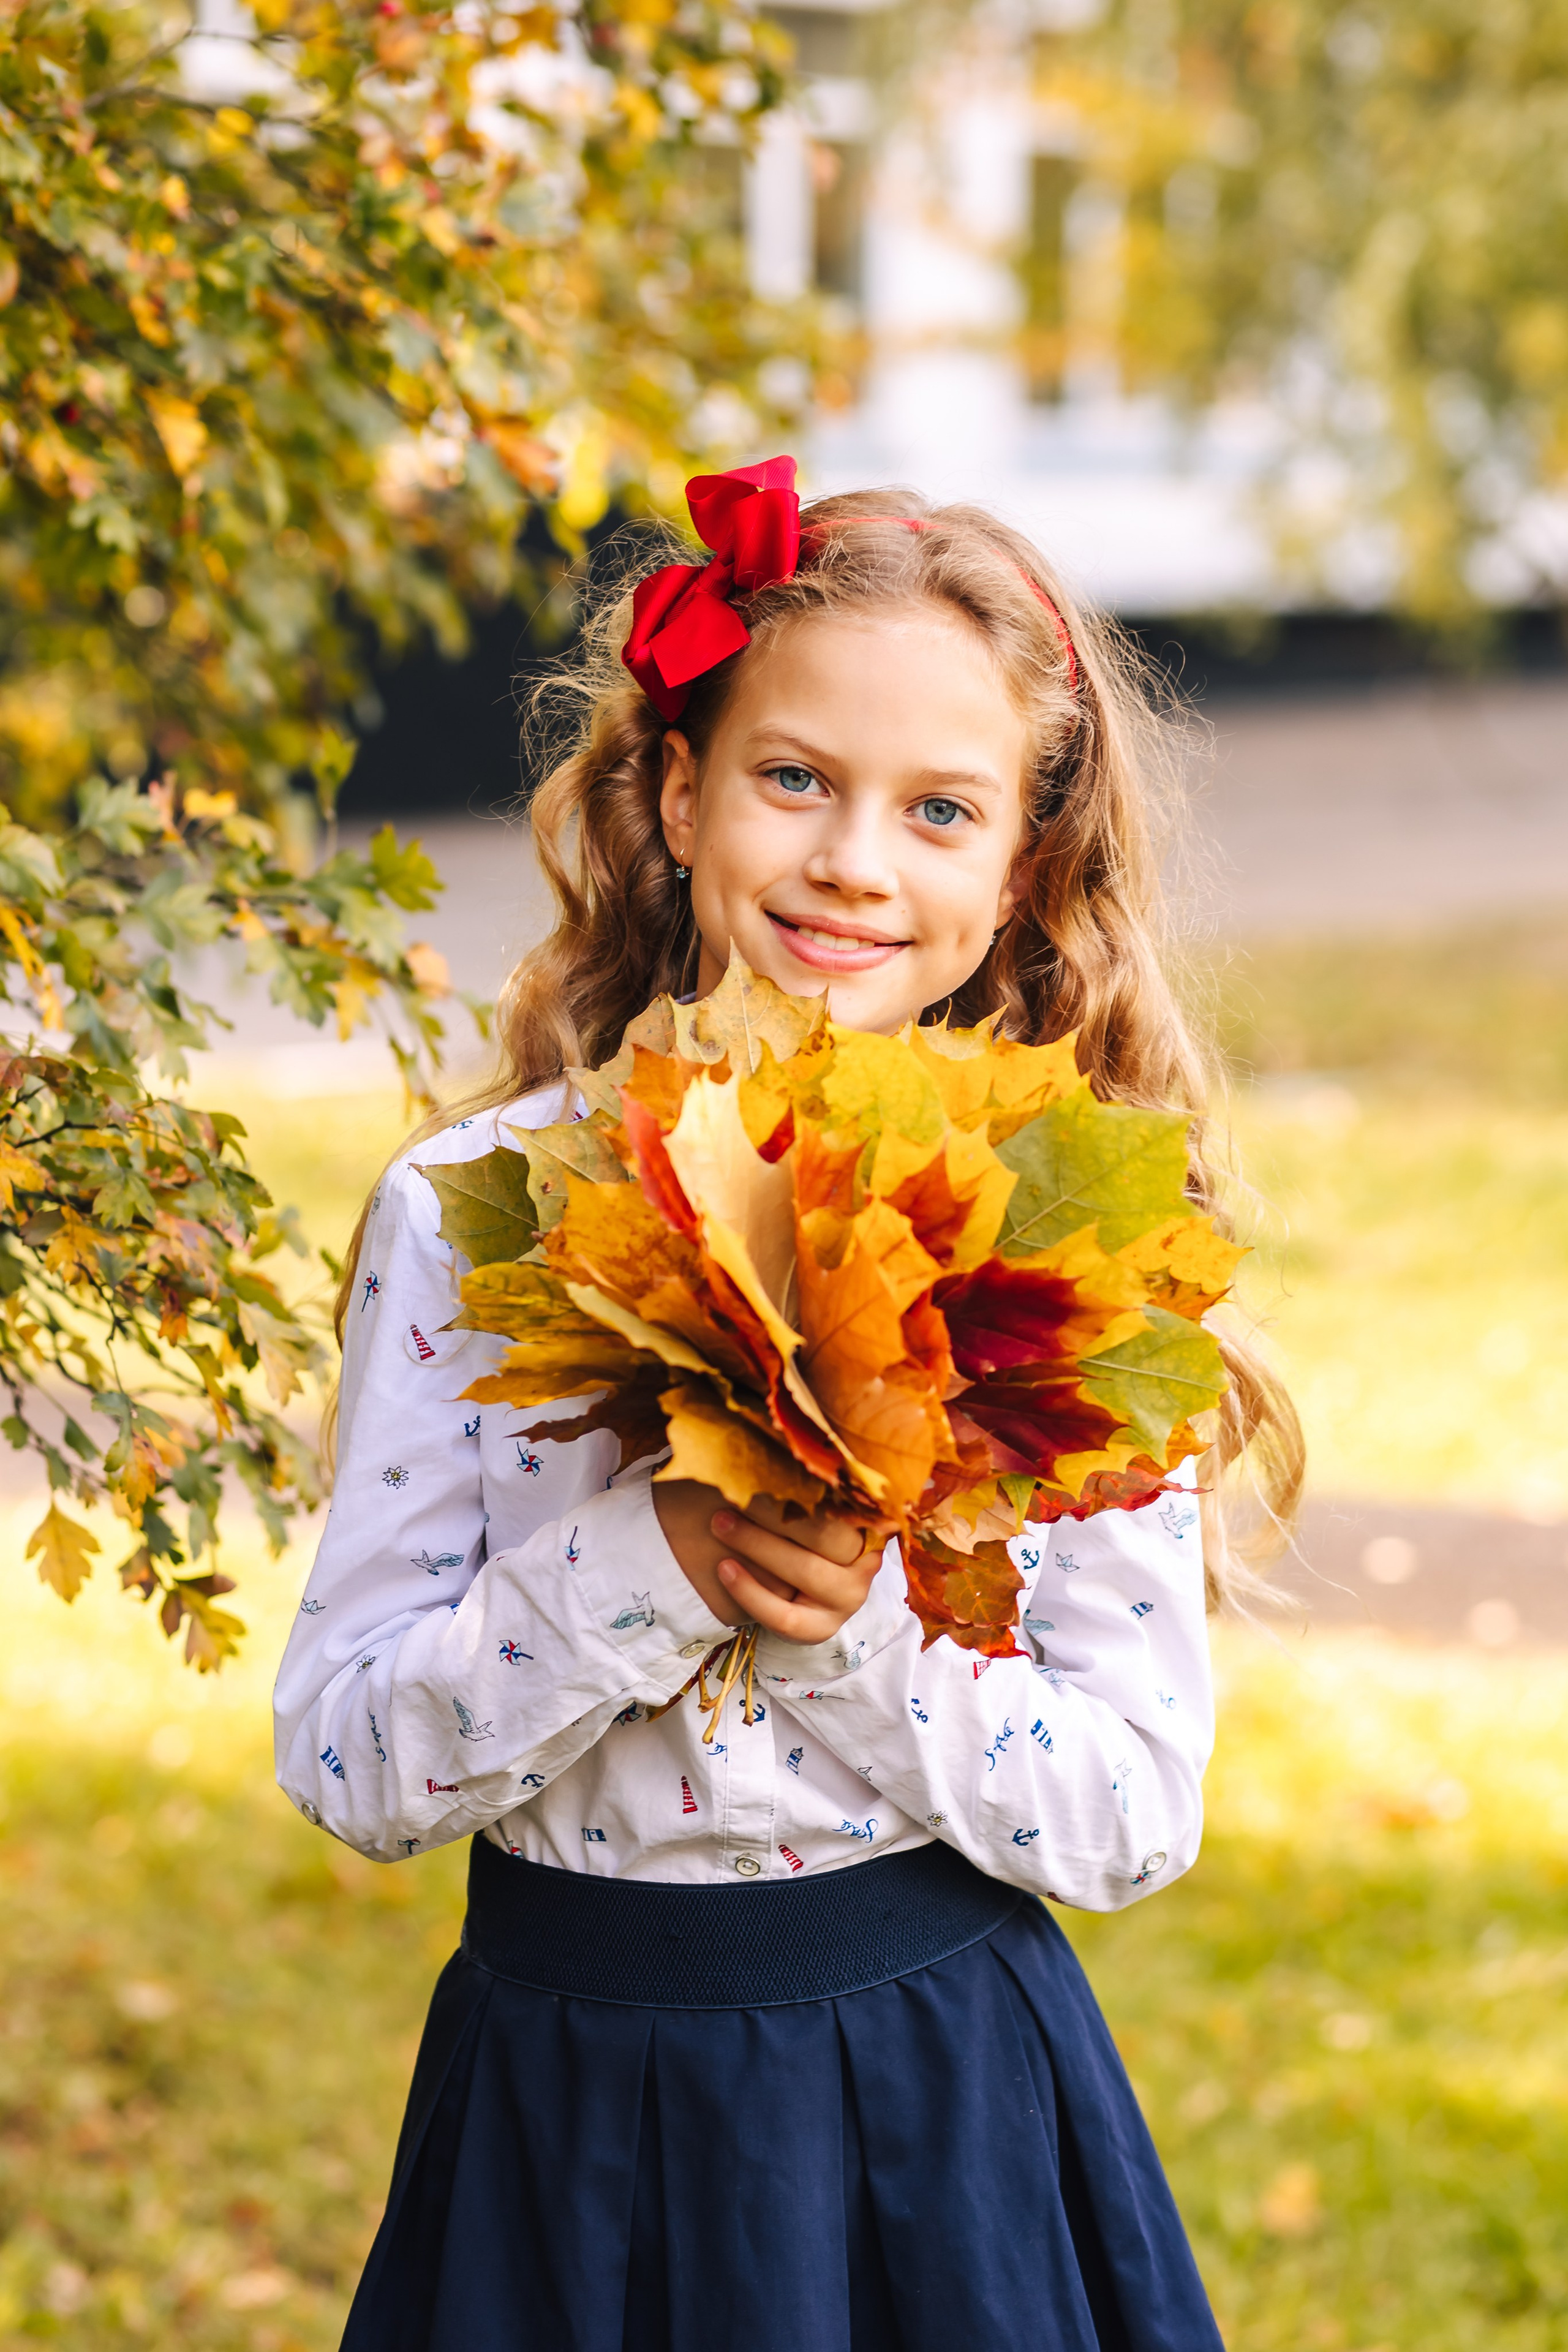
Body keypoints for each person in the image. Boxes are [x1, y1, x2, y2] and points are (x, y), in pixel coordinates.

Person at [274, 458, 1300, 2352]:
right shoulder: (472, 1212)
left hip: (937, 2123)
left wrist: (851, 1631)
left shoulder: (1071, 1245)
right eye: (796, 778)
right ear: (680, 795)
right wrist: (650, 1565)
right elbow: (353, 1761)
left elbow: (1131, 1811)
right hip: (567, 2121)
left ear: (1020, 870)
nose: (855, 862)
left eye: (940, 809)